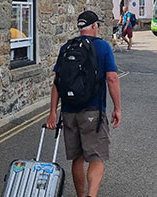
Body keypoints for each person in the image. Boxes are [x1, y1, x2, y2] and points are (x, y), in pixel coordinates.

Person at [47, 11, 122, 197]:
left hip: (69, 111)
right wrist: (117, 109)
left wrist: (53, 113)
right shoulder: (103, 47)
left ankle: (81, 196)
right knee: (96, 157)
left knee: (77, 157)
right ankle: (91, 196)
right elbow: (112, 79)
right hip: (93, 111)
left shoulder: (66, 47)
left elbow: (58, 81)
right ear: (95, 26)